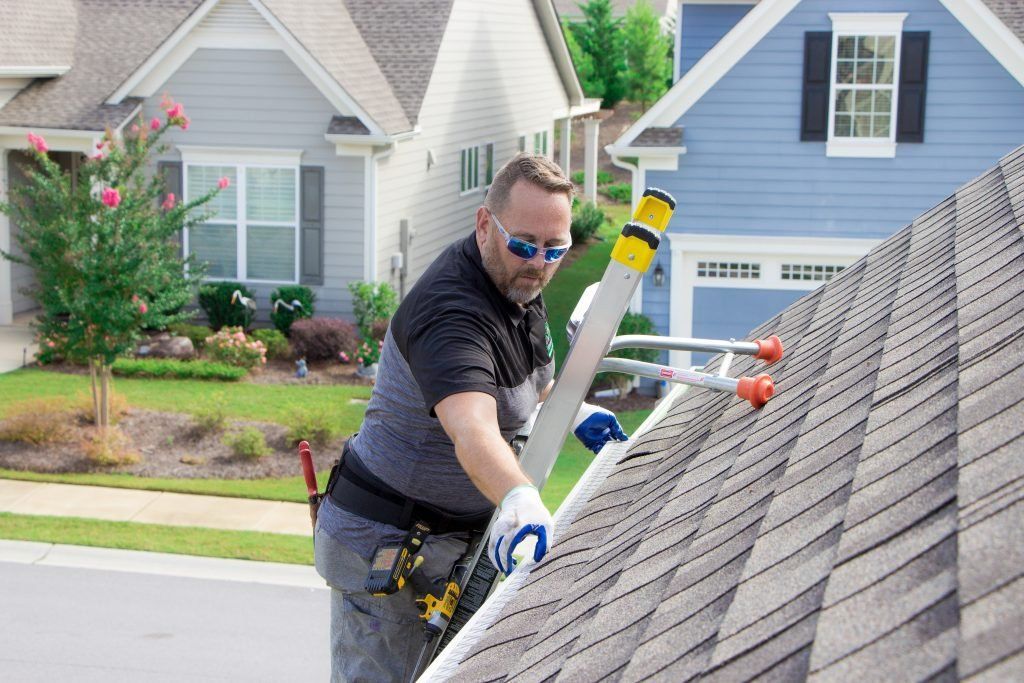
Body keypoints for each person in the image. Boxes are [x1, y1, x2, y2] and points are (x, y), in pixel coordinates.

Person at [313, 153, 628, 682]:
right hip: (387, 548)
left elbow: (529, 383)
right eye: (526, 244)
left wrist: (571, 412)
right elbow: (472, 427)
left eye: (556, 248)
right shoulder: (450, 315)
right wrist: (517, 495)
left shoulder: (517, 284)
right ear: (485, 225)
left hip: (455, 539)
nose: (540, 262)